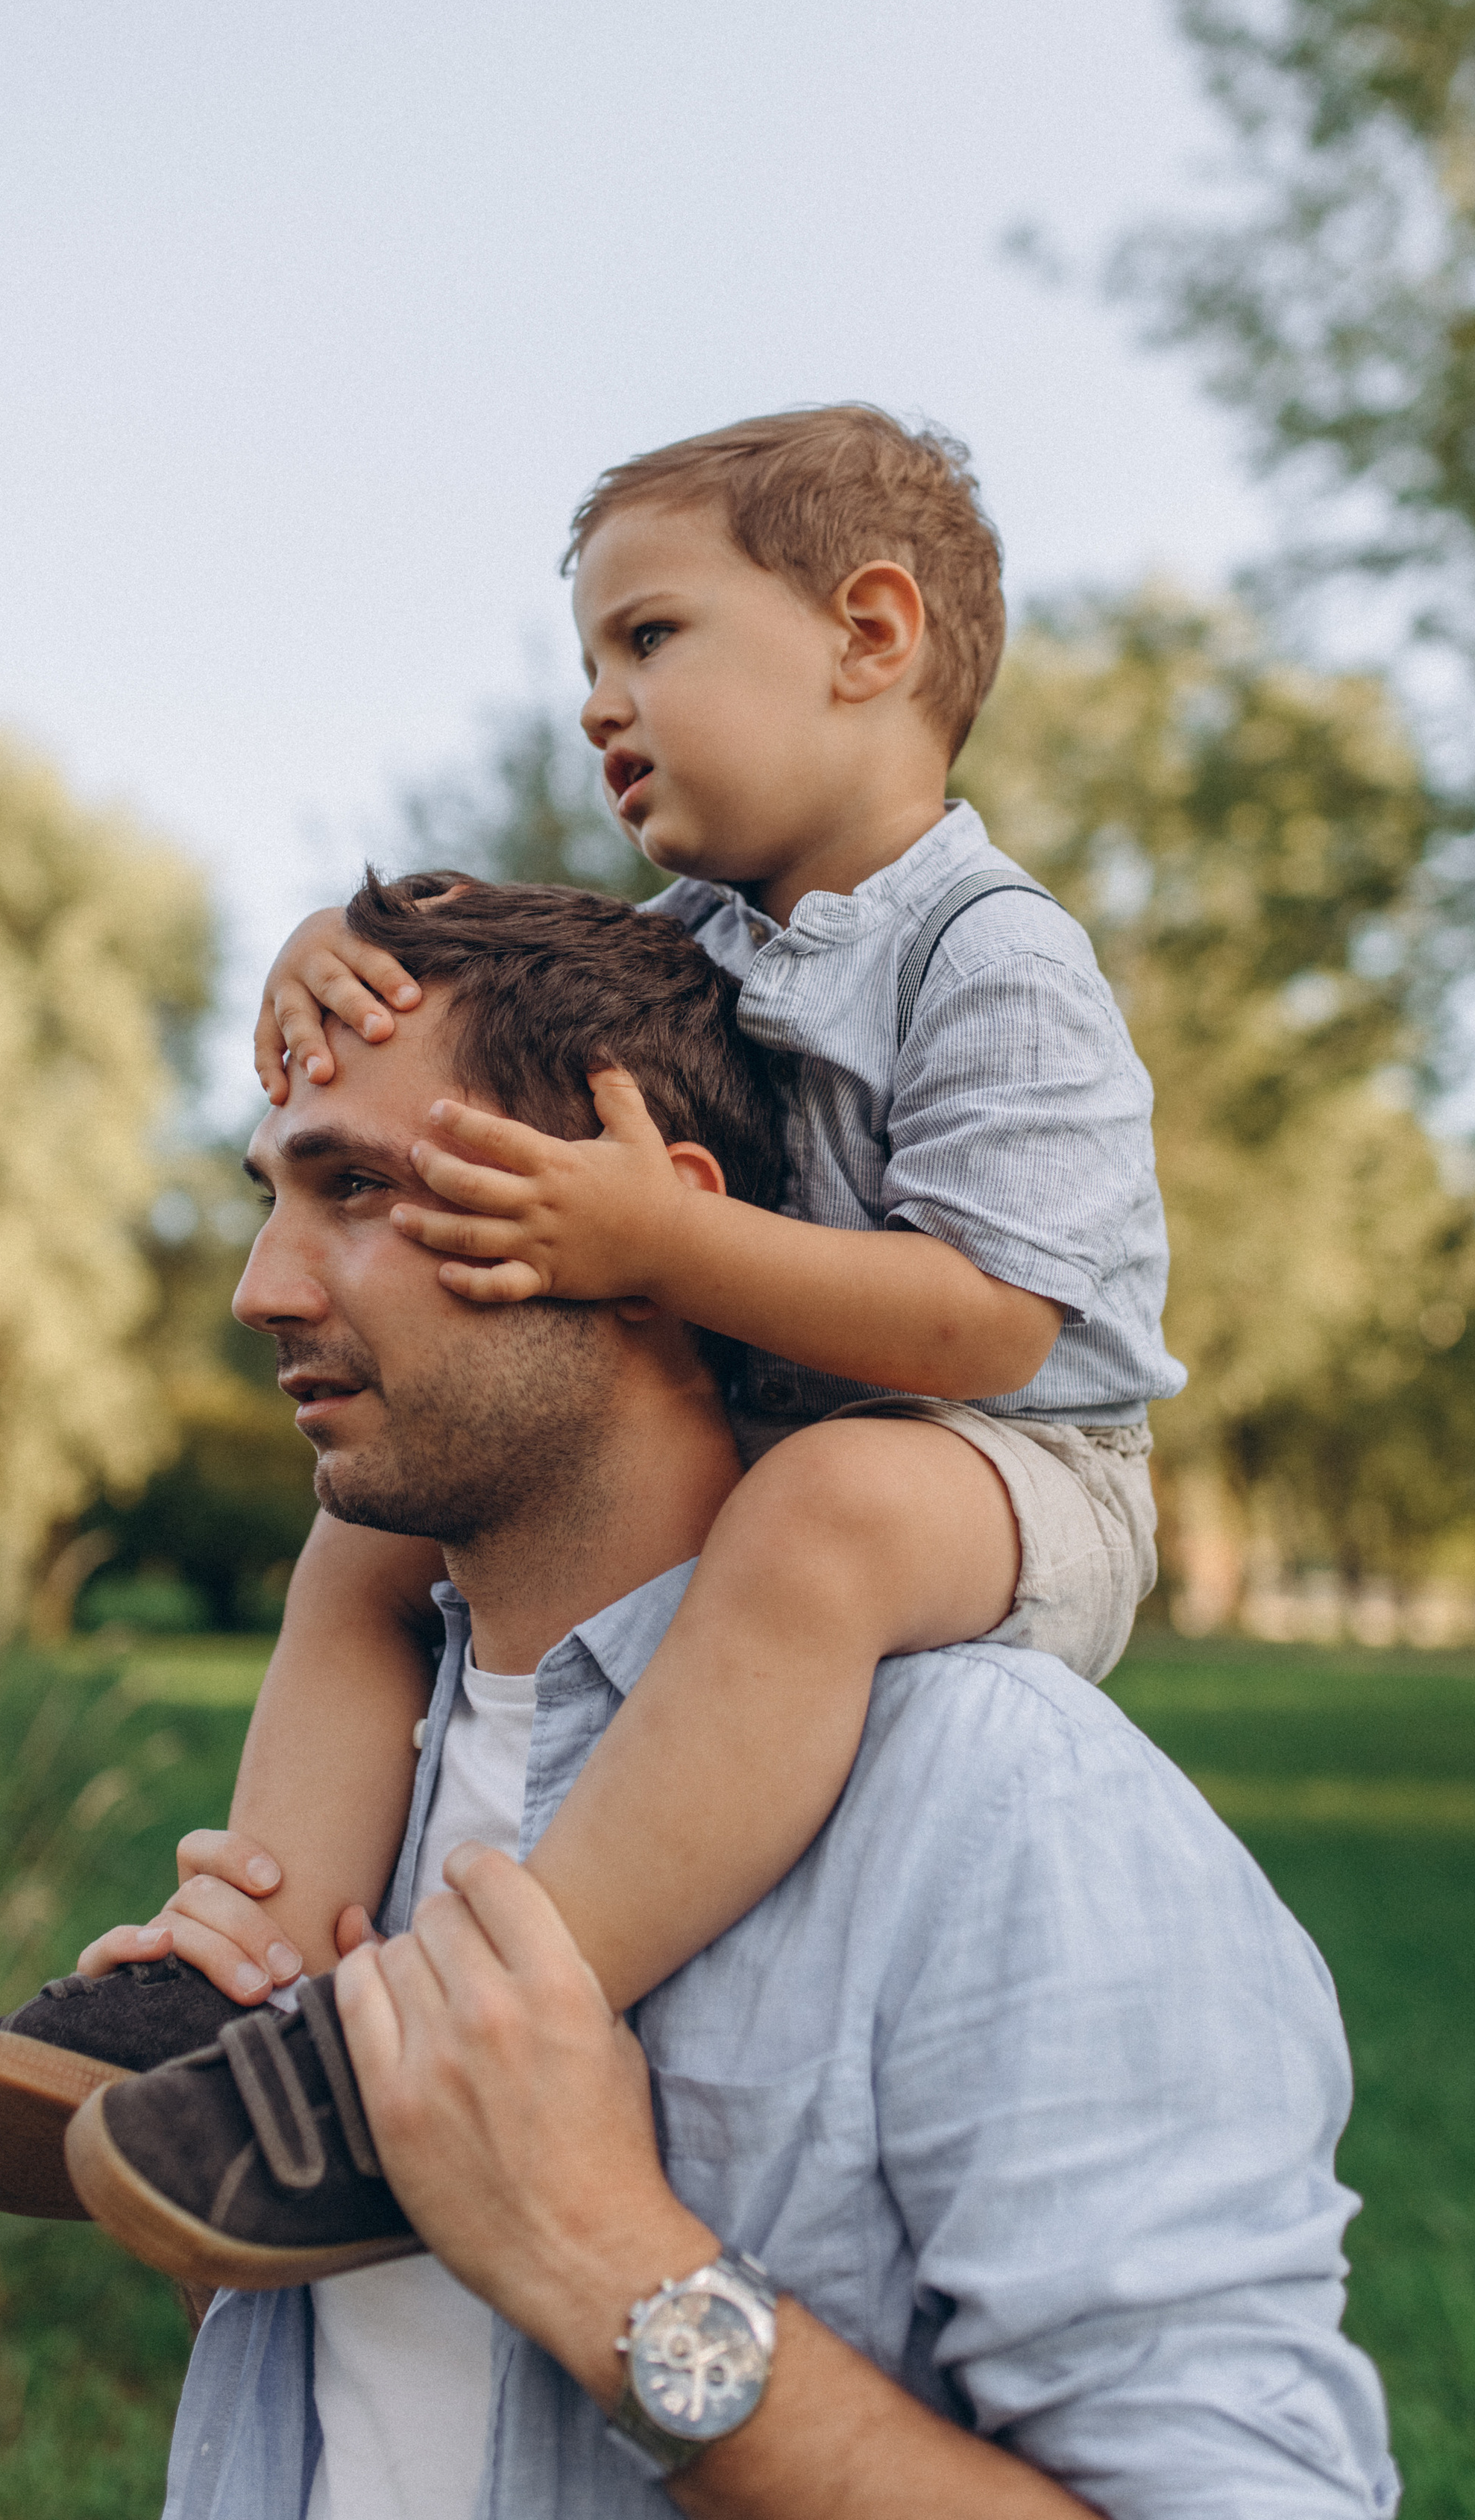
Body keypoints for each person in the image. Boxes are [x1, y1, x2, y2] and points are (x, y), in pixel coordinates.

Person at [0, 404, 1189, 2225]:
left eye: (648, 638)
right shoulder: (714, 939)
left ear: (868, 638)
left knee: (831, 1513)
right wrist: (324, 957)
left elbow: (992, 1331)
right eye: (587, 656)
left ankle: (464, 2024)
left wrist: (657, 1244)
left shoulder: (992, 956)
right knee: (368, 1540)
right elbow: (514, 983)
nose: (596, 701)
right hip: (808, 1416)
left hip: (1016, 1467)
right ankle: (222, 1974)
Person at [77, 888, 1395, 2517]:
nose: (260, 1289)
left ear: (649, 1243)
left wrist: (602, 2257)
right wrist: (218, 2213)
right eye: (271, 1192)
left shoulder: (1000, 1807)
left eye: (359, 1187)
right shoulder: (358, 1792)